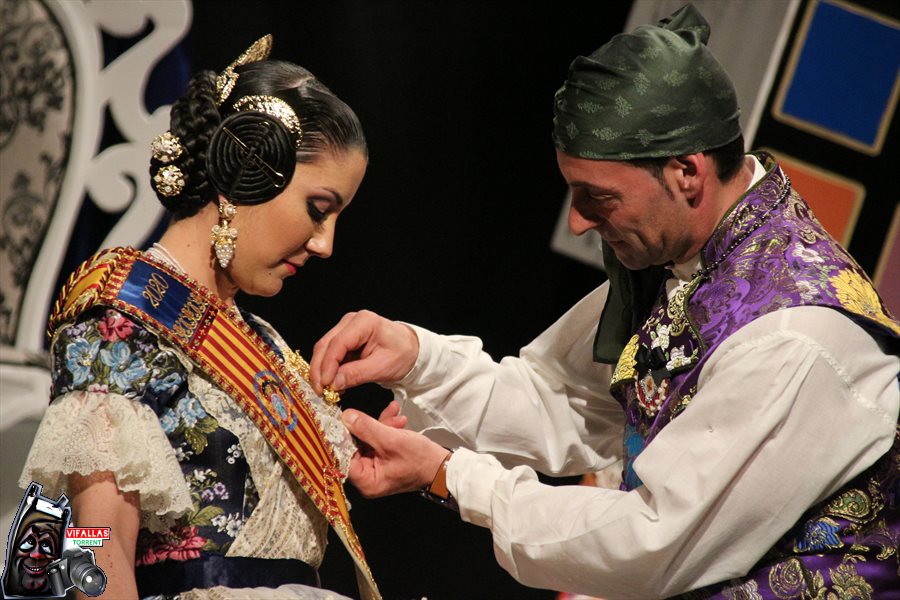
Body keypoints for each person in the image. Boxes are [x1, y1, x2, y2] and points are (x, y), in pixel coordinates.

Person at [308, 5, 900, 599]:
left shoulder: (792, 333)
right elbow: (564, 402)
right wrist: (416, 359)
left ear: (686, 173)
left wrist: (450, 477)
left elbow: (654, 539)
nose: (580, 221)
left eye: (599, 197)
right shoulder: (685, 263)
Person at [20, 35, 380, 600]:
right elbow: (96, 539)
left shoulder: (260, 338)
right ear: (245, 171)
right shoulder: (122, 319)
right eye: (318, 210)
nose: (325, 244)